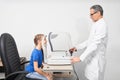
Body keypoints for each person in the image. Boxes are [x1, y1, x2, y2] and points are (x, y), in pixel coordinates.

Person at [70, 5, 108, 80]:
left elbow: (94, 44)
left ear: (99, 13)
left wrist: (80, 58)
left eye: (91, 14)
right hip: (91, 59)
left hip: (96, 61)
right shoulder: (96, 24)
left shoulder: (102, 25)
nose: (90, 16)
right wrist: (77, 47)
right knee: (88, 76)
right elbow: (90, 41)